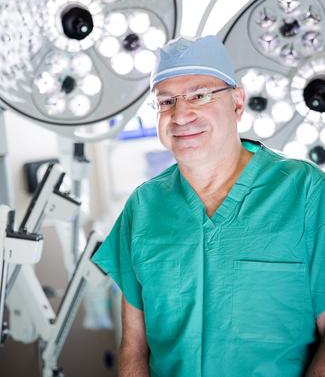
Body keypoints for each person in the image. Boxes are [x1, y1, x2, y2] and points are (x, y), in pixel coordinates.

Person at [92, 35, 325, 377]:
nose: (181, 115)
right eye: (166, 101)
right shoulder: (143, 207)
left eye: (199, 96)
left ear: (237, 102)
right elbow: (134, 346)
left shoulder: (305, 193)